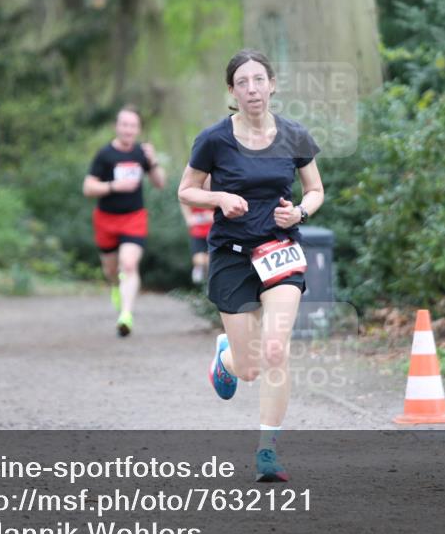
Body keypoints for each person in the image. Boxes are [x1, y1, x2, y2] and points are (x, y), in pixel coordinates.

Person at [177, 49, 324, 483]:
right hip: (232, 256)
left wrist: (299, 213)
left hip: (279, 250)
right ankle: (227, 355)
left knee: (276, 349)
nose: (252, 89)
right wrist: (218, 197)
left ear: (273, 84)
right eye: (242, 82)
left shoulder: (294, 135)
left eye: (259, 79)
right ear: (232, 91)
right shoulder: (214, 140)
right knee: (250, 369)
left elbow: (314, 190)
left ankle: (267, 451)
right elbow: (187, 190)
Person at [83, 106, 166, 336]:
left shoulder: (142, 153)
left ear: (138, 129)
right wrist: (113, 186)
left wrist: (155, 161)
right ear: (116, 127)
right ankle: (115, 286)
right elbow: (88, 187)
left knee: (128, 264)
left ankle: (126, 315)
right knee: (111, 270)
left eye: (133, 126)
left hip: (134, 217)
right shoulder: (105, 155)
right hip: (106, 219)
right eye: (124, 125)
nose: (128, 130)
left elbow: (160, 183)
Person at [180, 175, 213, 284]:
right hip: (198, 232)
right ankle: (200, 273)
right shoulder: (192, 192)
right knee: (199, 259)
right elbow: (184, 203)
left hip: (212, 233)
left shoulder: (216, 192)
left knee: (210, 260)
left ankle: (208, 283)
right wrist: (189, 218)